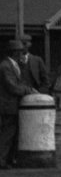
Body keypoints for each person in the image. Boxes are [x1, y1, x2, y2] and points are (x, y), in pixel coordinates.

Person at [0, 37, 33, 168]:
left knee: (12, 134)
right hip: (8, 105)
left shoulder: (12, 65)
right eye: (20, 52)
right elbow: (12, 86)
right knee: (7, 134)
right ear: (15, 52)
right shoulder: (5, 66)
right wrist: (28, 90)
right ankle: (2, 160)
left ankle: (8, 159)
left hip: (12, 105)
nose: (22, 54)